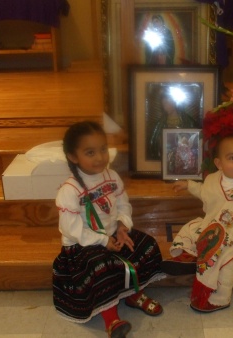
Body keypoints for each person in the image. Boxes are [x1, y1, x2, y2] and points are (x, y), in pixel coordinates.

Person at [52, 121, 166, 338]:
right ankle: (111, 318)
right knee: (102, 265)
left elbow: (123, 204)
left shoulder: (111, 176)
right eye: (90, 152)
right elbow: (71, 229)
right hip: (83, 244)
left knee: (146, 245)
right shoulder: (70, 190)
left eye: (103, 149)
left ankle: (134, 293)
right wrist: (103, 241)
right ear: (73, 157)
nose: (100, 157)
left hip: (113, 234)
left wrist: (123, 226)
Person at [161, 134, 233, 313]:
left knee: (223, 261)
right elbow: (205, 192)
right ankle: (186, 254)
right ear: (219, 163)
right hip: (215, 227)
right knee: (192, 228)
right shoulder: (215, 180)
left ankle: (220, 298)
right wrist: (189, 185)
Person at [148, 93, 197, 160]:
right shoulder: (160, 123)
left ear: (174, 103)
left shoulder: (187, 121)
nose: (165, 107)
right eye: (164, 105)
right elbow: (155, 141)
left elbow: (193, 137)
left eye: (167, 103)